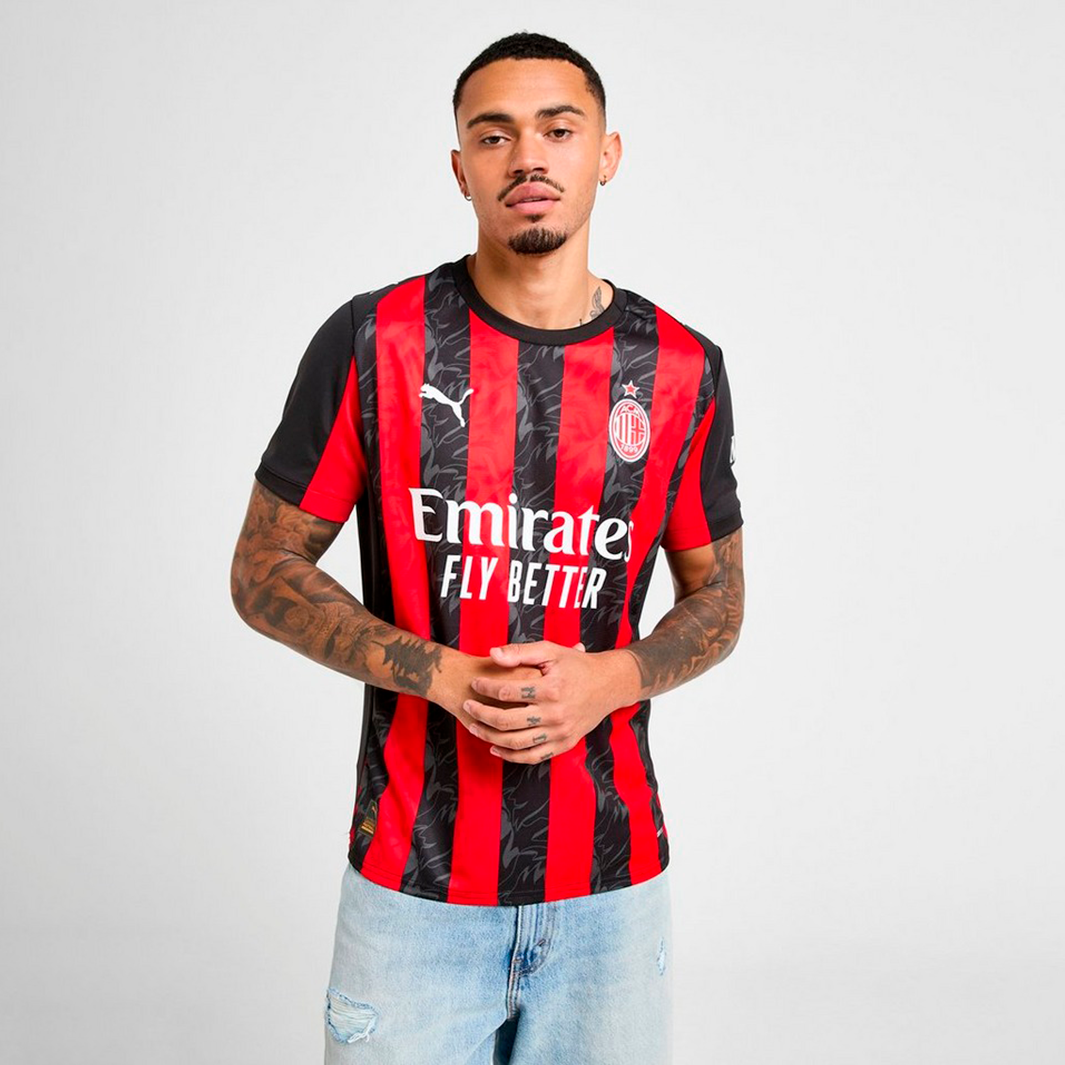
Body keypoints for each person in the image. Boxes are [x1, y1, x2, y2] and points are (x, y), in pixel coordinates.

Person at [229, 30, 744, 1065]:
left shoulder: (680, 368)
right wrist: (441, 673)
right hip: (412, 895)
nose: (528, 157)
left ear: (606, 154)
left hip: (612, 896)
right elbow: (263, 570)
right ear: (461, 167)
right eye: (495, 134)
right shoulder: (376, 341)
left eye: (559, 129)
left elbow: (718, 598)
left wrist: (611, 679)